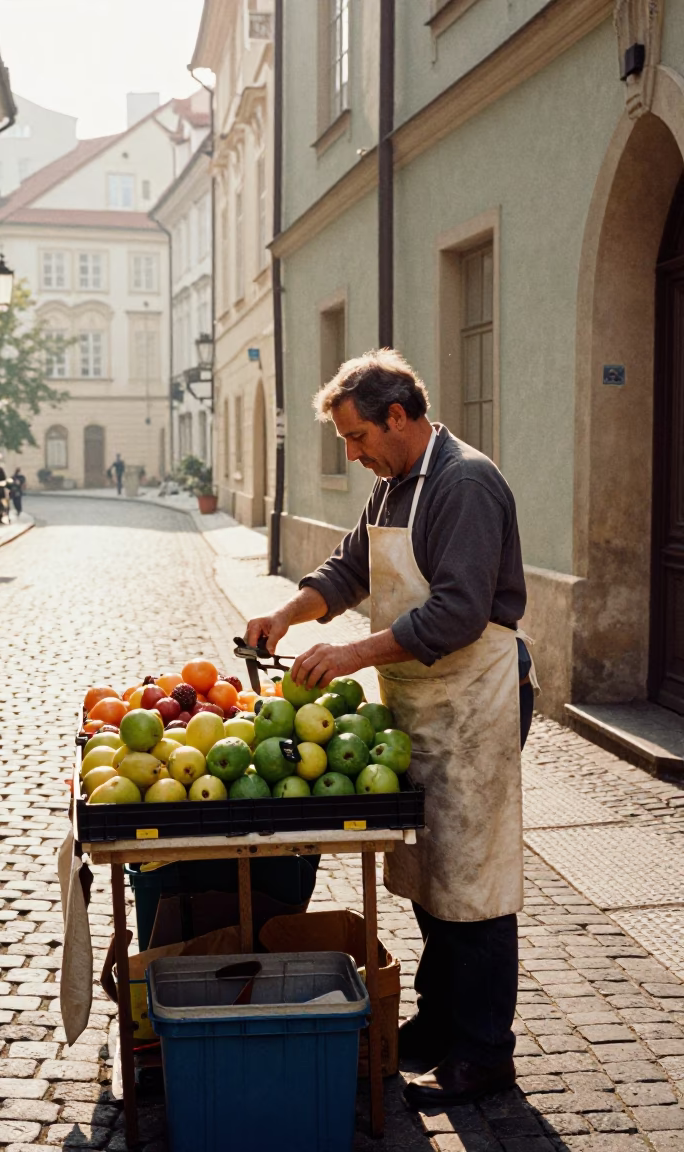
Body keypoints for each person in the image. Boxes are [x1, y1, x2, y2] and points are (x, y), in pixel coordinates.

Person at [245, 348, 533, 1108]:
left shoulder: (463, 483)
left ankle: (484, 1053)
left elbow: (457, 612)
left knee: (475, 881)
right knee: (430, 877)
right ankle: (439, 1025)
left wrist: (349, 654)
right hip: (422, 705)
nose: (352, 453)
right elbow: (348, 572)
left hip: (477, 698)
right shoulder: (394, 486)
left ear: (397, 417)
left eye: (357, 437)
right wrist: (285, 614)